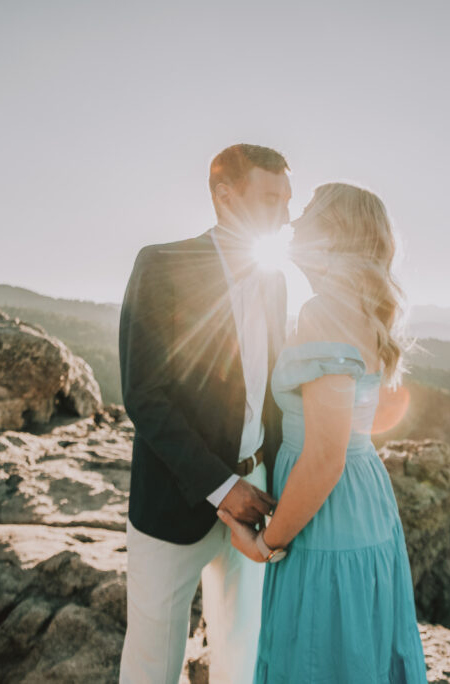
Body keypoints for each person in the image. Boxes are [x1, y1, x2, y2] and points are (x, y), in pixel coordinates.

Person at [217, 182, 428, 682]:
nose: (293, 222)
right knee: (355, 647)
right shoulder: (359, 309)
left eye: (309, 212)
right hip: (362, 500)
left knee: (319, 651)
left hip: (328, 514)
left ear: (334, 235)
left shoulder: (324, 311)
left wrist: (266, 544)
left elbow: (324, 458)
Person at [118, 143, 291, 683]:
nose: (285, 216)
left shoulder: (275, 281)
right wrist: (221, 486)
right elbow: (144, 394)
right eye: (271, 199)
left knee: (245, 654)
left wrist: (277, 484)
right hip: (173, 498)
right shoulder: (161, 265)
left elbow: (271, 395)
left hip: (258, 493)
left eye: (287, 201)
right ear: (224, 196)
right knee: (152, 663)